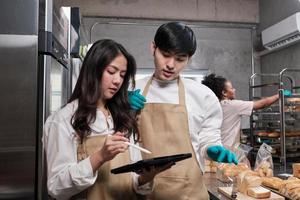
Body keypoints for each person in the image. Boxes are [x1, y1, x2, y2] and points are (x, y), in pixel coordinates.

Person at [43, 39, 169, 200]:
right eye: (111, 72)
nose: (117, 80)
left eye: (122, 75)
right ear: (93, 70)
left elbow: (131, 180)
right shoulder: (64, 119)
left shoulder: (122, 118)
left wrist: (146, 177)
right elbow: (56, 188)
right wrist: (100, 156)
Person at [128, 22, 238, 200]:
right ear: (153, 47)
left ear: (189, 58)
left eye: (180, 59)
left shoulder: (202, 95)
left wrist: (212, 149)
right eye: (165, 55)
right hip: (143, 189)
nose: (171, 65)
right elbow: (117, 139)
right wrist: (120, 109)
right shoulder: (134, 90)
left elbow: (207, 138)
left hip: (189, 192)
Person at [202, 73, 285, 147]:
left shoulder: (214, 105)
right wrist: (279, 95)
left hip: (215, 147)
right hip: (228, 148)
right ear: (224, 93)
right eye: (232, 88)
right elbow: (261, 104)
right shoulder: (232, 105)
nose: (234, 90)